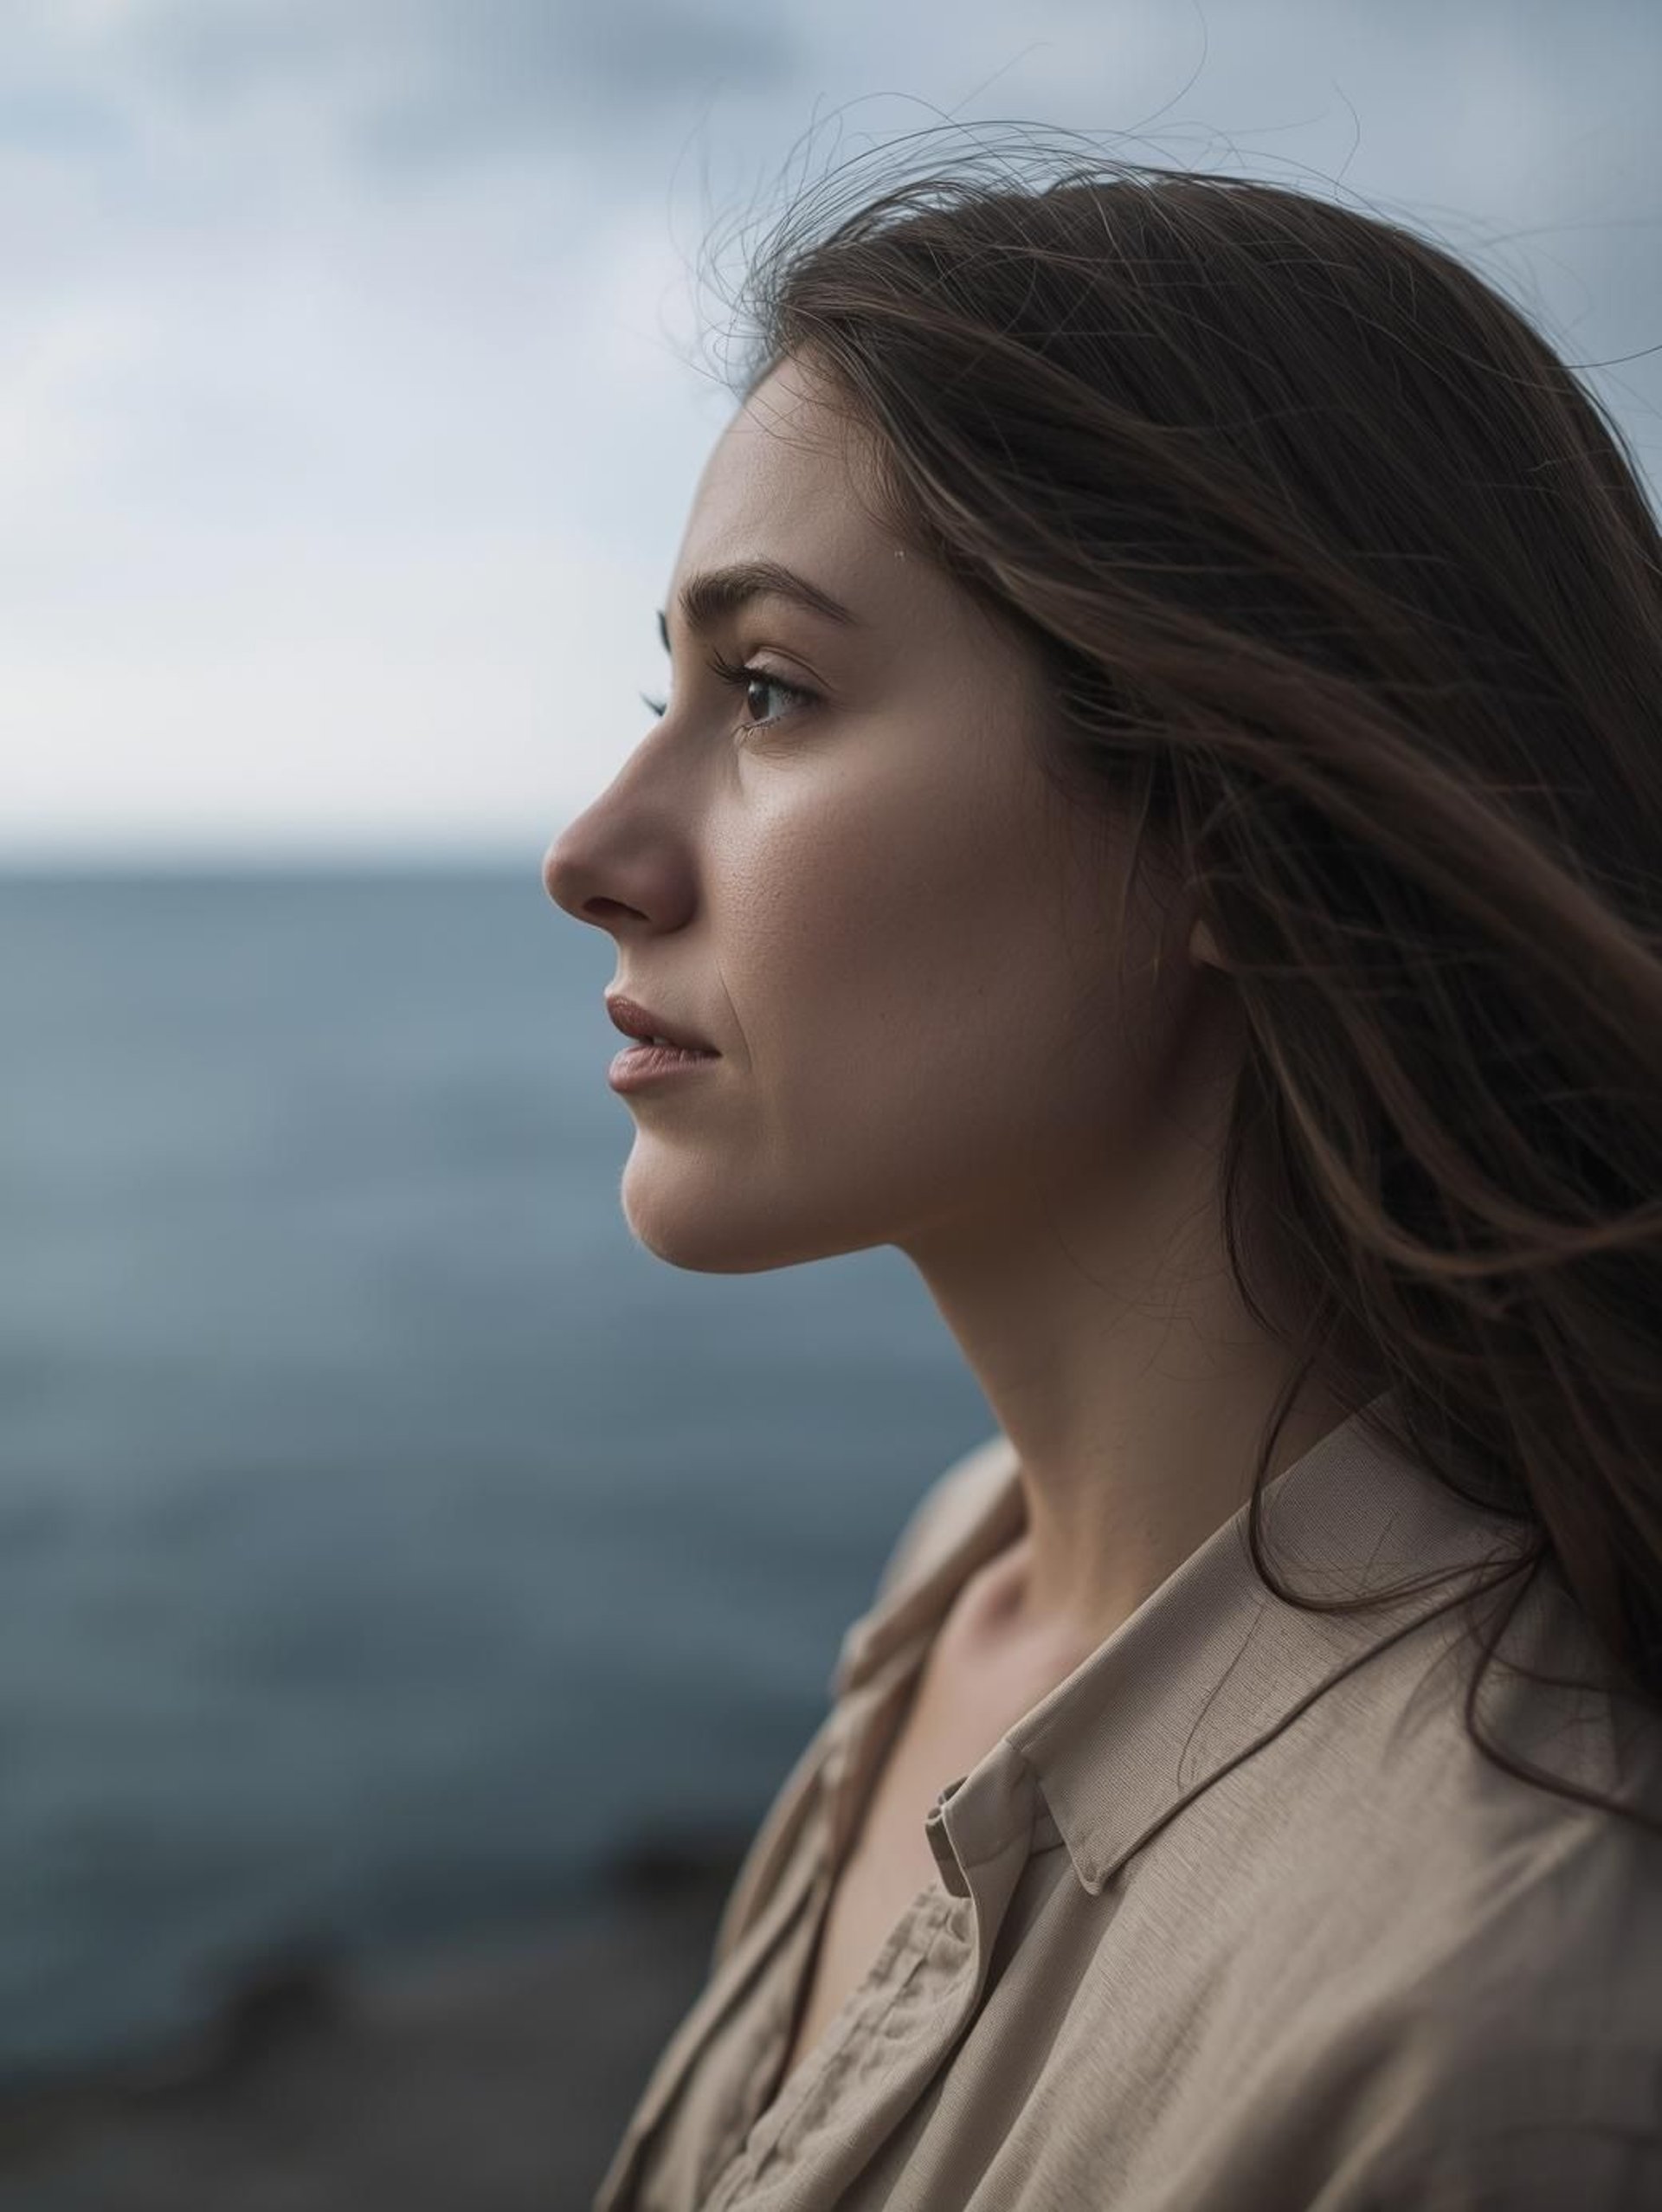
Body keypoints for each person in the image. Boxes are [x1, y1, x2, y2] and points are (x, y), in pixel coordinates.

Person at [544, 129, 1662, 2210]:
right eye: (667, 694)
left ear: (1235, 825)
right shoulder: (959, 1576)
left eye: (770, 692)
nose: (591, 854)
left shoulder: (1493, 2037)